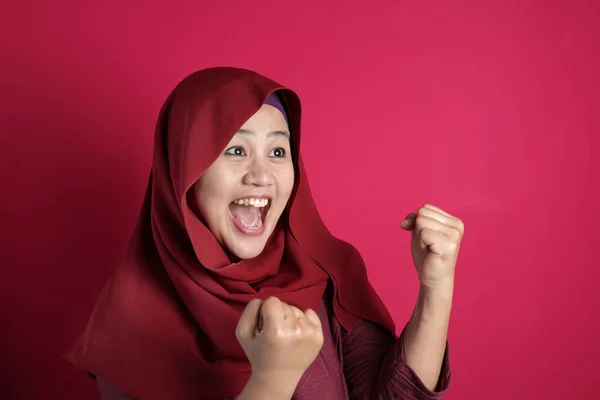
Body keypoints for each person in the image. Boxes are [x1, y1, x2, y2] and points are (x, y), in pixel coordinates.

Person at [65, 67, 464, 400]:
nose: (262, 176)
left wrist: (436, 288)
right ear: (183, 170)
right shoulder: (129, 324)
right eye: (235, 150)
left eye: (278, 152)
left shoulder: (326, 277)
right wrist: (272, 380)